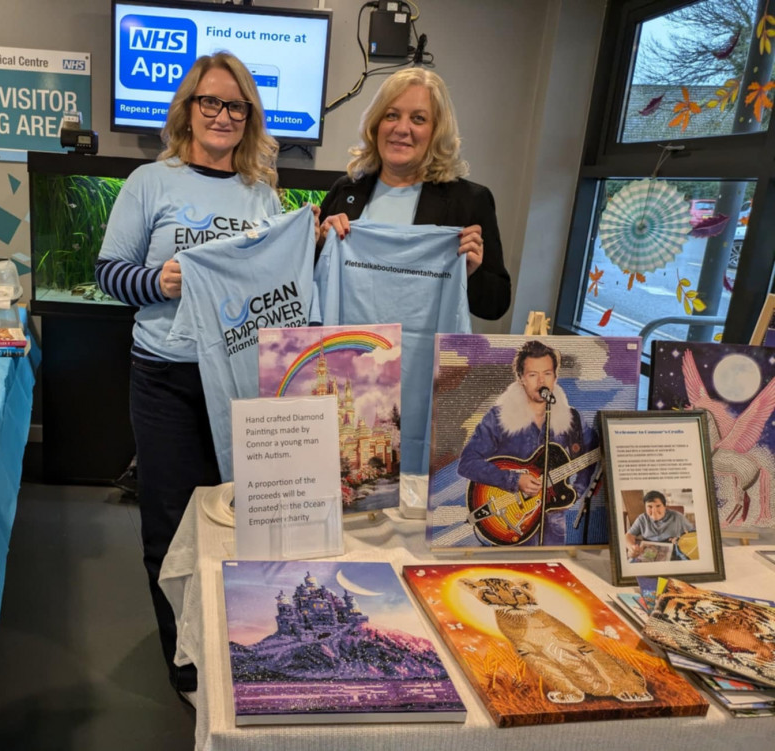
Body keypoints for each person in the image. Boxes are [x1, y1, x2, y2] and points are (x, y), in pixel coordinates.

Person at [94, 52, 282, 694]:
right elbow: (109, 272)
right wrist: (160, 278)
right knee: (170, 521)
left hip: (240, 381)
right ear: (189, 108)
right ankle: (185, 658)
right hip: (168, 379)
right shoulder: (151, 182)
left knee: (243, 520)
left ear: (249, 117)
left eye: (236, 106)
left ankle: (239, 642)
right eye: (211, 102)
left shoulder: (263, 195)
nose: (223, 115)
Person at [317, 67, 511, 321]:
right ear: (376, 124)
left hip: (420, 356)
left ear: (436, 131)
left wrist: (471, 274)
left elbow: (496, 305)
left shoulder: (469, 201)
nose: (402, 128)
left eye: (418, 119)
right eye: (391, 115)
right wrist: (320, 246)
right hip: (346, 352)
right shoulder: (346, 190)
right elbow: (308, 284)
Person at [457, 340, 599, 545]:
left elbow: (591, 455)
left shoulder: (572, 419)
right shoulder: (499, 418)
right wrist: (514, 481)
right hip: (509, 519)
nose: (541, 381)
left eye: (547, 373)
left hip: (553, 526)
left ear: (555, 377)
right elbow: (467, 463)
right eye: (533, 375)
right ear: (521, 378)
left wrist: (576, 491)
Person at [626, 490, 695, 562]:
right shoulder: (642, 518)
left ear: (665, 506)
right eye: (649, 506)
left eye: (658, 506)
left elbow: (693, 534)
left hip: (672, 552)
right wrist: (632, 547)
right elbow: (629, 535)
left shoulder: (677, 516)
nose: (654, 511)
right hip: (648, 551)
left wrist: (680, 539)